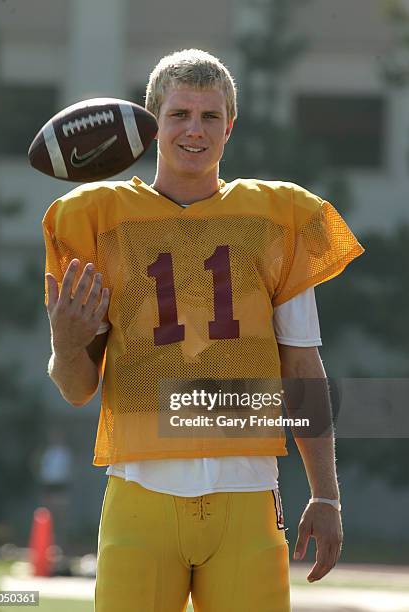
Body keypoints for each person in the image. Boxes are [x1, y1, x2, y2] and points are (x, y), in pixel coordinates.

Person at [43, 49, 364, 612]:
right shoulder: (96, 219)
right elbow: (76, 389)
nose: (195, 129)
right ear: (150, 124)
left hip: (246, 490)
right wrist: (66, 345)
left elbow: (302, 367)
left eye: (210, 116)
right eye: (179, 114)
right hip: (140, 489)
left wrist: (327, 493)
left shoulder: (276, 217)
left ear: (229, 126)